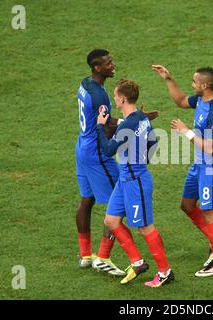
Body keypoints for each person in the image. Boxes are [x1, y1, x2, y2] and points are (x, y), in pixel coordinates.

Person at [152, 65, 213, 277]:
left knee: (210, 212)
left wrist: (185, 132)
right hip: (199, 164)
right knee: (187, 205)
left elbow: (212, 146)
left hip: (212, 166)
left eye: (195, 81)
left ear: (205, 86)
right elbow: (181, 100)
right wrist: (168, 79)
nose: (192, 84)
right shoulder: (201, 100)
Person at [96, 79, 174, 287]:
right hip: (126, 178)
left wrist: (100, 127)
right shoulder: (141, 118)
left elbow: (109, 149)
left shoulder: (131, 123)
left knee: (145, 227)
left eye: (115, 96)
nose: (114, 99)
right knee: (111, 221)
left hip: (136, 181)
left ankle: (165, 272)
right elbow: (153, 140)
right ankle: (137, 262)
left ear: (122, 99)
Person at [75, 49, 125, 276]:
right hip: (97, 153)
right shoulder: (100, 96)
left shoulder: (85, 84)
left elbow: (100, 118)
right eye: (108, 63)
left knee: (87, 199)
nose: (113, 65)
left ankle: (85, 255)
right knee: (121, 198)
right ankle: (103, 257)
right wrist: (133, 122)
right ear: (97, 68)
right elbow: (105, 127)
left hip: (82, 148)